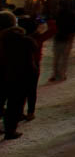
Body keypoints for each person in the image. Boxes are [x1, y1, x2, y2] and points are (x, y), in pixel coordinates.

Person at [0, 10, 34, 140]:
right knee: (14, 106)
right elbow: (29, 62)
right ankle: (10, 130)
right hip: (17, 77)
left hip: (4, 76)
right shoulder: (22, 40)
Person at [50, 0, 75, 81]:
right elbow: (73, 28)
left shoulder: (58, 14)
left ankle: (55, 74)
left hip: (59, 36)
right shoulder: (73, 14)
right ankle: (62, 74)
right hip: (67, 37)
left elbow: (55, 25)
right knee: (64, 57)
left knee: (57, 57)